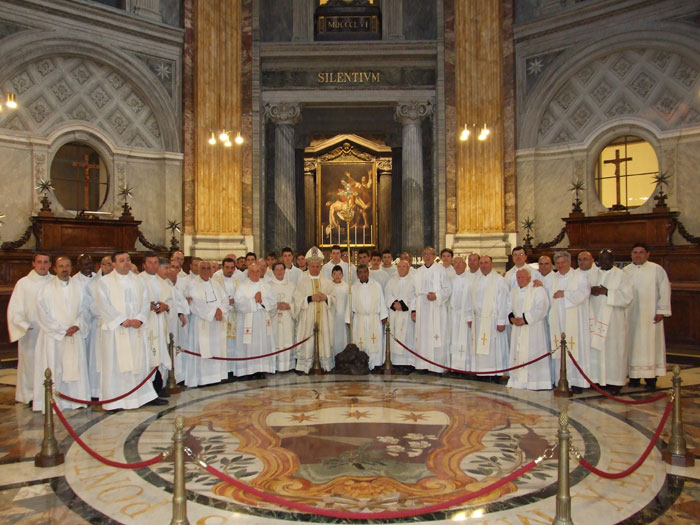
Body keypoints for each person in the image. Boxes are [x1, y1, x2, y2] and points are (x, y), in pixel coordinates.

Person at [93, 251, 158, 410]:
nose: (126, 263)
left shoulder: (139, 280)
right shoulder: (104, 282)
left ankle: (139, 398)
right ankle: (115, 401)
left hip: (136, 329)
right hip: (116, 331)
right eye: (121, 260)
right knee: (116, 365)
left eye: (128, 260)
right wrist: (121, 320)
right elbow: (103, 305)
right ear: (114, 264)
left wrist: (140, 318)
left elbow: (144, 301)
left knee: (138, 364)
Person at [33, 256, 90, 412]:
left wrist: (77, 325)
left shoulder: (79, 287)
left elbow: (85, 310)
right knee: (56, 367)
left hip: (74, 335)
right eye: (61, 266)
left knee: (74, 368)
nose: (65, 269)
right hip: (55, 337)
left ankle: (76, 400)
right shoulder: (46, 289)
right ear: (55, 269)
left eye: (67, 266)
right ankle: (55, 403)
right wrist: (61, 329)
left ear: (71, 268)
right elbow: (42, 314)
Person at [624, 242, 671, 391]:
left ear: (648, 254)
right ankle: (633, 377)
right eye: (635, 252)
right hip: (630, 316)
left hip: (650, 315)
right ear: (631, 254)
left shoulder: (656, 270)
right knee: (631, 344)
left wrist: (661, 310)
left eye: (641, 252)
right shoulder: (625, 271)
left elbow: (664, 290)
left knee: (650, 345)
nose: (638, 255)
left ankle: (651, 378)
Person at [8, 253, 52, 404]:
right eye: (39, 262)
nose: (42, 265)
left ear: (50, 264)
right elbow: (15, 308)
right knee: (31, 364)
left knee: (49, 362)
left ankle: (49, 393)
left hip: (50, 331)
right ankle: (30, 394)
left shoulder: (54, 281)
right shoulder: (24, 283)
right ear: (33, 263)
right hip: (32, 331)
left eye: (45, 262)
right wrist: (22, 324)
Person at [589, 249, 633, 394]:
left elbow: (627, 297)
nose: (604, 262)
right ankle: (597, 380)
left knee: (614, 350)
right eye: (601, 259)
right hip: (595, 317)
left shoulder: (621, 275)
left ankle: (615, 382)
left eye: (607, 259)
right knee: (595, 349)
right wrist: (591, 291)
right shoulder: (593, 273)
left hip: (614, 321)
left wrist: (607, 292)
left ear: (613, 260)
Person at [548, 251, 591, 393]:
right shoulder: (553, 278)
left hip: (575, 320)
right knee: (558, 348)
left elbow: (584, 293)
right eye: (558, 263)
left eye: (563, 262)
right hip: (557, 319)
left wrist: (565, 294)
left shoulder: (579, 276)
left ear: (569, 262)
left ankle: (577, 382)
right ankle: (560, 380)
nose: (560, 265)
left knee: (575, 348)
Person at [185, 260, 229, 387]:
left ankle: (216, 377)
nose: (205, 271)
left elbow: (225, 299)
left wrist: (221, 310)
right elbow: (195, 302)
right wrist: (213, 312)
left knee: (216, 349)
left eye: (208, 268)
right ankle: (202, 379)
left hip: (216, 323)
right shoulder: (193, 284)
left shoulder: (216, 284)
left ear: (211, 270)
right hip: (202, 321)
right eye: (203, 268)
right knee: (202, 349)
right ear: (198, 270)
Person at [507, 268, 551, 390]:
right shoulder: (514, 291)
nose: (520, 280)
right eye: (518, 278)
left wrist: (525, 319)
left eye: (522, 277)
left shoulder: (537, 289)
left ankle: (535, 382)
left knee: (532, 353)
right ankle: (517, 381)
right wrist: (512, 319)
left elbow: (541, 307)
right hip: (517, 328)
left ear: (529, 277)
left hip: (533, 328)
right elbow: (508, 307)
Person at [293, 247, 336, 372]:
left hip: (324, 318)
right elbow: (297, 299)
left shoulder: (327, 282)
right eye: (313, 266)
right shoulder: (303, 282)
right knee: (308, 339)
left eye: (317, 266)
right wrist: (310, 298)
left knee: (324, 338)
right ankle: (306, 365)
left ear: (320, 267)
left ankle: (324, 365)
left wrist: (326, 297)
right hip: (308, 317)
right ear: (309, 266)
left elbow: (334, 298)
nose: (315, 269)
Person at [412, 246, 452, 373]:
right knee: (423, 336)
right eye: (425, 254)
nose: (427, 256)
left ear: (435, 256)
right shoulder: (417, 272)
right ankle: (422, 365)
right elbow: (413, 293)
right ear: (422, 256)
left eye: (430, 254)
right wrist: (413, 310)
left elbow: (447, 289)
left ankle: (437, 366)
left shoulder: (440, 270)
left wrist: (437, 296)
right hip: (421, 308)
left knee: (436, 336)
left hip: (436, 309)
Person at [470, 255, 510, 382]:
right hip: (479, 319)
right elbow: (471, 299)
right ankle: (482, 373)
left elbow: (504, 301)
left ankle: (496, 373)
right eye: (481, 263)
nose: (483, 265)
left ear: (491, 264)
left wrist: (501, 321)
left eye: (486, 263)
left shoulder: (499, 280)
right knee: (481, 348)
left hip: (493, 320)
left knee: (494, 349)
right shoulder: (476, 279)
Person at [139, 253, 172, 404]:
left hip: (160, 325)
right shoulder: (138, 281)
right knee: (149, 359)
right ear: (144, 265)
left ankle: (159, 387)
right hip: (147, 328)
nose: (153, 266)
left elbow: (171, 301)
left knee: (160, 357)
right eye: (150, 263)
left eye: (155, 263)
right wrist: (148, 306)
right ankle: (148, 392)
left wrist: (166, 306)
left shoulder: (163, 282)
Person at [234, 263, 277, 377]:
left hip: (262, 319)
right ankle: (248, 370)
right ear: (248, 273)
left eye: (257, 271)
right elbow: (238, 303)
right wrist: (253, 301)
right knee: (249, 345)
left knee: (262, 344)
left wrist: (261, 301)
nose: (255, 273)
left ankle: (261, 369)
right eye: (252, 271)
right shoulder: (242, 286)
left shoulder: (266, 286)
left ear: (261, 272)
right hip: (247, 321)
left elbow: (273, 302)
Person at [346, 264, 388, 369]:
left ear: (368, 273)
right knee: (360, 342)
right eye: (360, 272)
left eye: (364, 272)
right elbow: (349, 304)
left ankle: (375, 364)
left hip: (373, 319)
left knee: (374, 342)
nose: (363, 274)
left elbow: (382, 301)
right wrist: (348, 318)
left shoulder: (376, 285)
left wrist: (383, 315)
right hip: (359, 319)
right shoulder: (354, 287)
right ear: (357, 274)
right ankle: (361, 364)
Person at [450, 253, 480, 371]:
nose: (457, 265)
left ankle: (466, 368)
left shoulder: (471, 279)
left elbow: (473, 299)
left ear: (464, 265)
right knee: (454, 341)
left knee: (466, 342)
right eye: (455, 263)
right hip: (453, 316)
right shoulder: (450, 279)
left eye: (460, 263)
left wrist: (470, 317)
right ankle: (454, 367)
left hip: (465, 316)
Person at [384, 260, 416, 368]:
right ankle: (396, 363)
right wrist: (393, 303)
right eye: (399, 266)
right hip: (395, 314)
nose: (401, 268)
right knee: (395, 336)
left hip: (406, 314)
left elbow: (414, 296)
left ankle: (408, 363)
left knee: (407, 337)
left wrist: (403, 304)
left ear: (408, 267)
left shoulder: (413, 280)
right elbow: (387, 294)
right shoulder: (391, 280)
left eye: (404, 266)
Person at [212, 257, 240, 378]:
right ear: (222, 267)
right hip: (222, 315)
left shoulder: (237, 281)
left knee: (233, 344)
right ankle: (222, 372)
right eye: (227, 267)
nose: (229, 270)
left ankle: (232, 370)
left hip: (234, 315)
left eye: (232, 268)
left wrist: (236, 301)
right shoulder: (215, 281)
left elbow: (241, 296)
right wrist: (226, 302)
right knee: (222, 344)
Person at [268, 261, 297, 372]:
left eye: (281, 269)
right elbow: (266, 303)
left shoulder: (292, 285)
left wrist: (289, 306)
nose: (280, 272)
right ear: (273, 271)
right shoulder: (269, 286)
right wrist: (276, 306)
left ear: (285, 270)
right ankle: (274, 366)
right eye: (277, 270)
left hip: (287, 319)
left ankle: (288, 366)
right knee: (275, 340)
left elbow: (297, 303)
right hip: (274, 319)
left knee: (287, 340)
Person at [329, 265, 349, 356]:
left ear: (342, 275)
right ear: (332, 275)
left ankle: (343, 357)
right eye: (335, 274)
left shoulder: (346, 286)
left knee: (343, 338)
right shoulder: (328, 286)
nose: (337, 276)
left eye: (339, 274)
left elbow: (349, 302)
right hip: (332, 317)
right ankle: (332, 358)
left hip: (343, 317)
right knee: (332, 338)